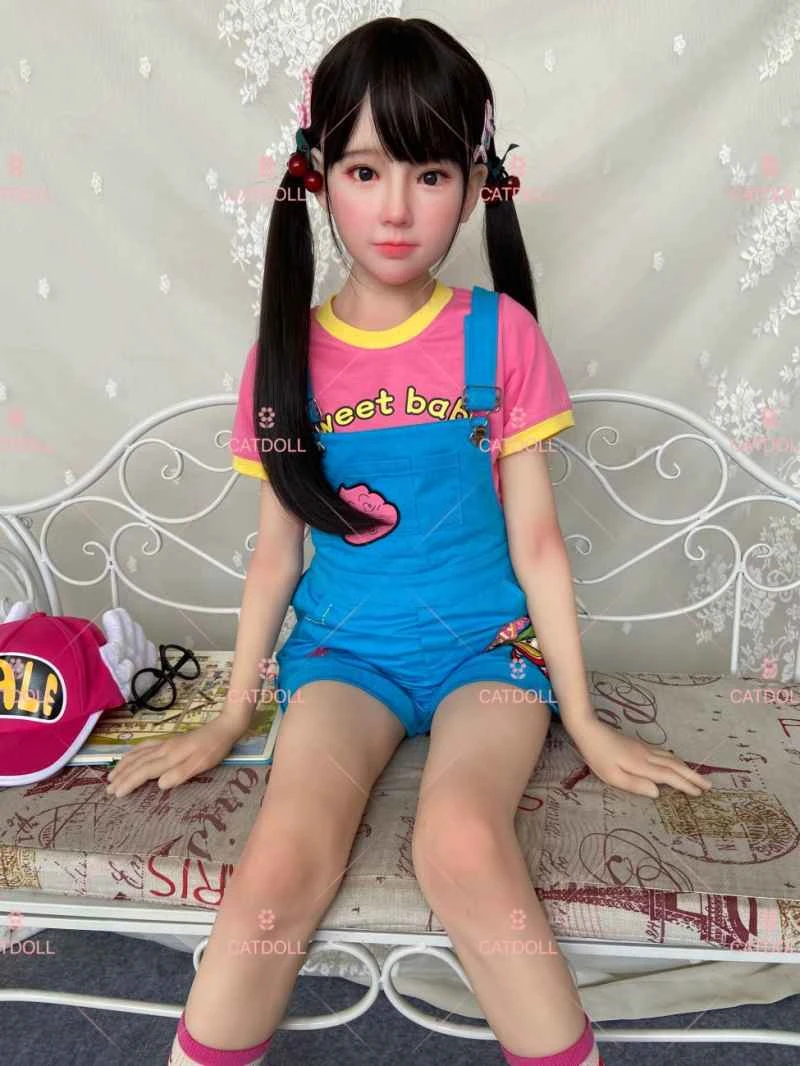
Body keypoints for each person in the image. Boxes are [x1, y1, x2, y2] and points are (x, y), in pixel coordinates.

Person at [106, 17, 712, 1066]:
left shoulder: (498, 335)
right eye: (364, 170)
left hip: (489, 657)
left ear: (473, 185)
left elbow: (538, 543)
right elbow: (274, 557)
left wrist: (582, 717)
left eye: (428, 173)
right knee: (281, 858)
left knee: (462, 840)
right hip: (344, 659)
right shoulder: (286, 359)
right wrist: (233, 710)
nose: (395, 208)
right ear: (319, 179)